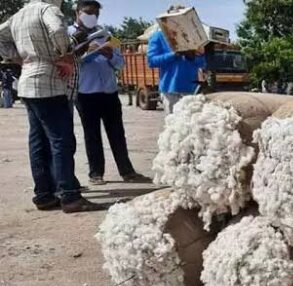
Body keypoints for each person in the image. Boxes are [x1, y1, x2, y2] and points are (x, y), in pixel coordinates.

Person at [0, 0, 103, 213]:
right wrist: (65, 54)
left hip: (28, 82)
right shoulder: (48, 10)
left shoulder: (19, 15)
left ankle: (44, 194)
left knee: (37, 142)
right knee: (61, 141)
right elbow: (57, 30)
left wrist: (17, 58)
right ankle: (70, 196)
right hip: (49, 83)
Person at [69, 1, 149, 185]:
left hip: (109, 92)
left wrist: (110, 55)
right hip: (85, 93)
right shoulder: (68, 34)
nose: (92, 17)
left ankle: (127, 171)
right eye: (88, 12)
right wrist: (84, 51)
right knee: (92, 134)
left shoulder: (107, 35)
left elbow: (121, 64)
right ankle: (96, 174)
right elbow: (68, 61)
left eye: (96, 14)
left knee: (117, 133)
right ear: (77, 13)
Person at [147, 4, 206, 114]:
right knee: (174, 123)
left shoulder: (193, 37)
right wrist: (174, 55)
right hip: (170, 90)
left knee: (191, 122)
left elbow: (202, 64)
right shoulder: (158, 37)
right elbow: (152, 61)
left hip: (191, 89)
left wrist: (198, 55)